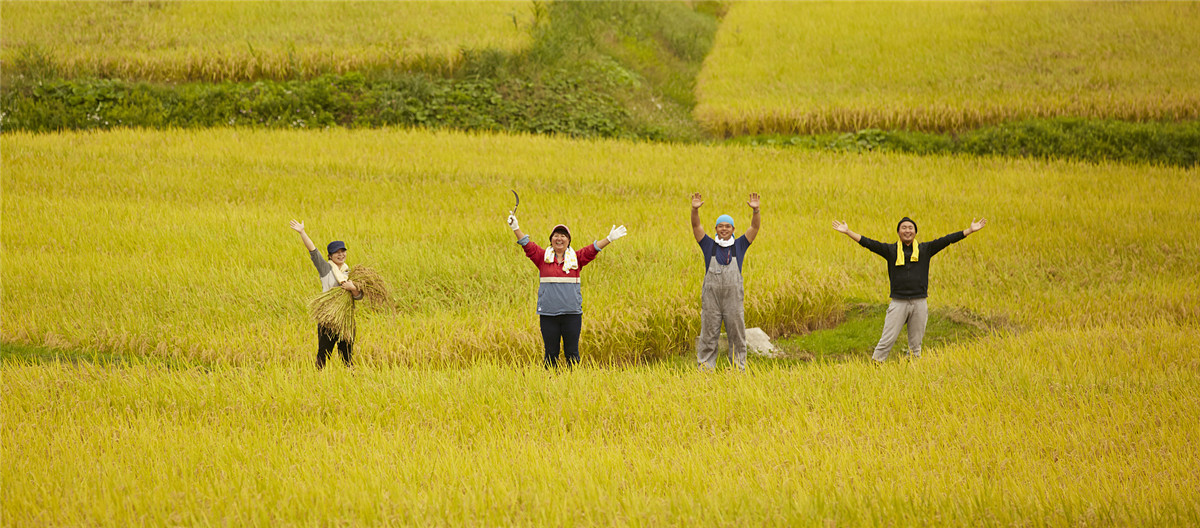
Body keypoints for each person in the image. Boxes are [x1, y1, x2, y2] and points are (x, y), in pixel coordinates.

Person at [831, 216, 987, 362]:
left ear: (915, 232)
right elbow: (868, 243)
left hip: (919, 302)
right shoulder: (890, 250)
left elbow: (947, 240)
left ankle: (912, 372)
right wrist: (848, 232)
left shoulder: (926, 249)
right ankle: (875, 367)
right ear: (899, 232)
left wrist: (970, 230)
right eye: (904, 228)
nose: (907, 230)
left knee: (916, 344)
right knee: (887, 340)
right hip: (898, 303)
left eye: (910, 228)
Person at [507, 211, 626, 368]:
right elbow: (526, 244)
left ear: (568, 241)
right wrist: (516, 227)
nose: (559, 238)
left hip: (572, 315)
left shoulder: (577, 259)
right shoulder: (542, 258)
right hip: (548, 314)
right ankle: (550, 387)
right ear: (551, 240)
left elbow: (593, 249)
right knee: (551, 354)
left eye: (563, 235)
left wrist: (609, 239)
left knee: (572, 353)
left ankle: (573, 386)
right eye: (556, 235)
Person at [690, 192, 761, 370]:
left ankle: (738, 369)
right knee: (708, 335)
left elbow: (754, 228)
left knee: (737, 335)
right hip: (711, 300)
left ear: (733, 230)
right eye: (720, 226)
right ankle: (705, 370)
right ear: (715, 229)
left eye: (727, 226)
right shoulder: (708, 245)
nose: (723, 229)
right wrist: (694, 210)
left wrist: (756, 211)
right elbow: (696, 226)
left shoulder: (740, 245)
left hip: (733, 300)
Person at [289, 220, 363, 369]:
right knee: (323, 353)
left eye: (343, 252)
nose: (340, 255)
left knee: (347, 355)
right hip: (328, 319)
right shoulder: (326, 269)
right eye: (337, 253)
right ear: (330, 256)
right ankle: (317, 378)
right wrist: (302, 232)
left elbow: (359, 296)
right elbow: (313, 251)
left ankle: (351, 379)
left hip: (346, 319)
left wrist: (352, 287)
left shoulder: (350, 273)